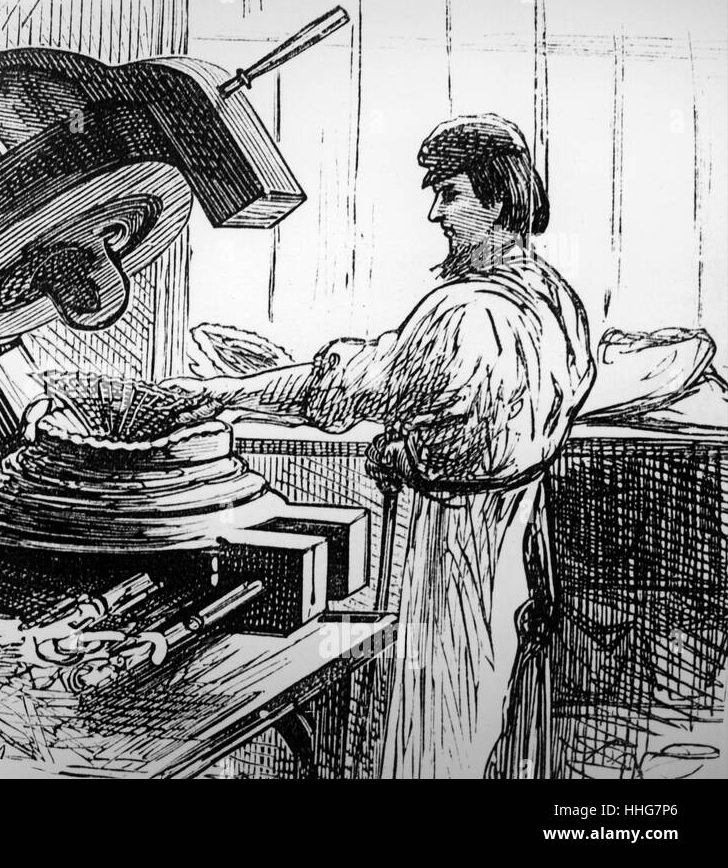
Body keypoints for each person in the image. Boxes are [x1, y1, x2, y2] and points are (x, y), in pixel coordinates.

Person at [171, 114, 595, 778]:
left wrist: (220, 394)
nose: (436, 213)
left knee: (427, 726)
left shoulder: (467, 309)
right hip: (508, 537)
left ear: (499, 200)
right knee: (483, 705)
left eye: (449, 193)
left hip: (449, 542)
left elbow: (352, 380)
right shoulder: (557, 299)